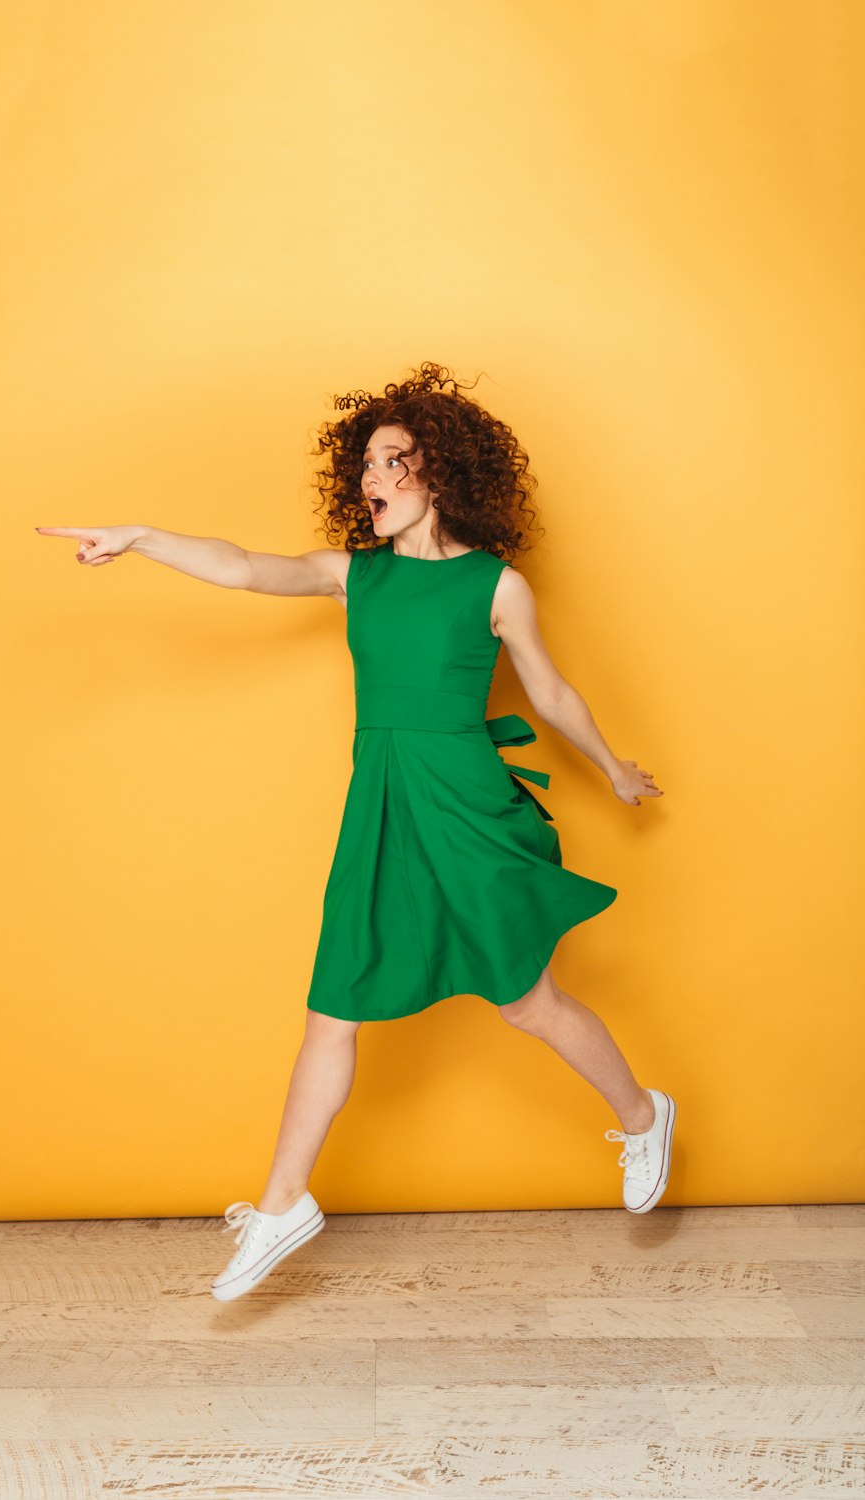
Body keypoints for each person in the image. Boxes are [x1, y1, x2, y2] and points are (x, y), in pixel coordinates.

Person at [37, 361, 675, 1303]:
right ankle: (283, 1203)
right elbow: (249, 566)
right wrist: (140, 537)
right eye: (364, 465)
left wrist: (615, 767)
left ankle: (642, 1113)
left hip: (467, 808)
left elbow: (549, 691)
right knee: (331, 1010)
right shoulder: (356, 577)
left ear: (442, 473)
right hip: (381, 809)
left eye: (392, 461)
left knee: (524, 1001)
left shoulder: (496, 586)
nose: (371, 479)